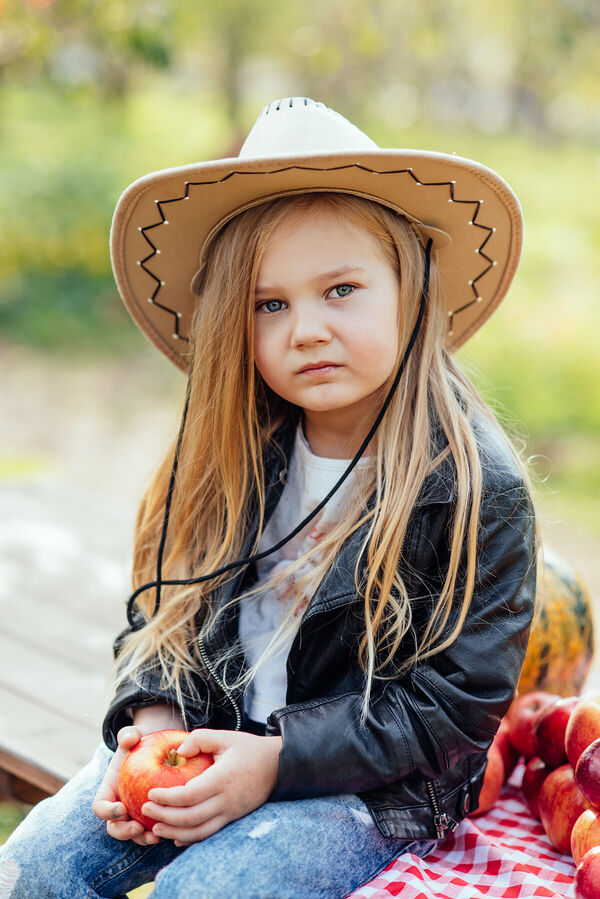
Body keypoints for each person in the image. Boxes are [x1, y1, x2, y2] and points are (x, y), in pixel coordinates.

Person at [1, 97, 537, 898]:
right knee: (38, 862)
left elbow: (452, 710)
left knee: (213, 890)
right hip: (208, 742)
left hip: (364, 789)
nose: (307, 329)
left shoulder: (473, 489)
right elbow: (162, 613)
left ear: (412, 289)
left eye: (342, 290)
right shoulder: (230, 451)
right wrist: (154, 721)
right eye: (270, 303)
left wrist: (279, 759)